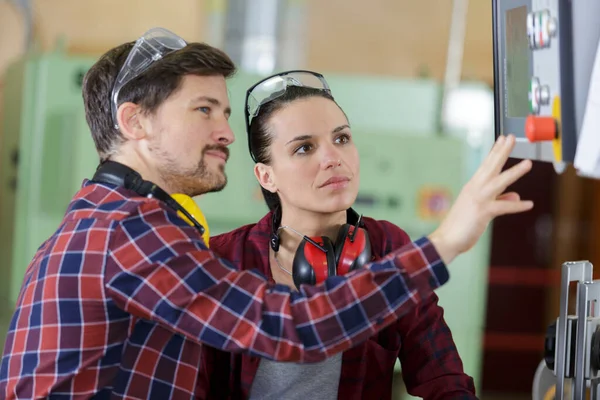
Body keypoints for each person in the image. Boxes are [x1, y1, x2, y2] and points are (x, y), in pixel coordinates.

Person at [0, 28, 532, 400]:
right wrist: (446, 241)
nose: (227, 133)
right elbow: (292, 327)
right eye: (204, 109)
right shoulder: (129, 234)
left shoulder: (118, 223)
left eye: (226, 113)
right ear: (135, 122)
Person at [196, 71, 500, 400]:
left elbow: (443, 376)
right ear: (267, 176)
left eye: (341, 139)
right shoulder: (222, 259)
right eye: (303, 148)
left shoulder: (388, 247)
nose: (332, 159)